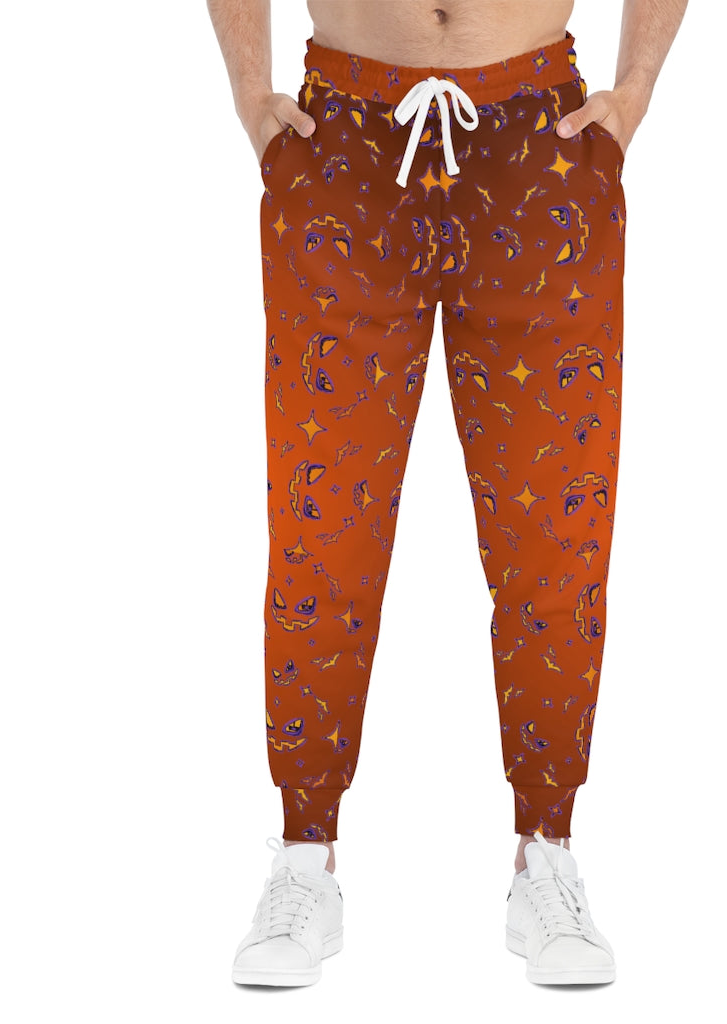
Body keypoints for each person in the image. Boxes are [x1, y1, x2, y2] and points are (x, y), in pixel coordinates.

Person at [206, 0, 688, 987]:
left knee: (556, 523)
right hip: (343, 137)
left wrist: (635, 91)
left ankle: (545, 851)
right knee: (320, 524)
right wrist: (251, 94)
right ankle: (303, 855)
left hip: (537, 137)